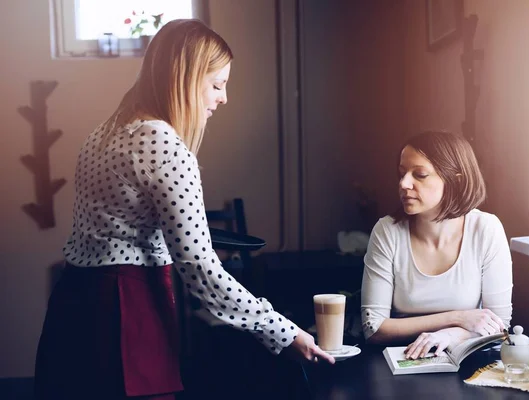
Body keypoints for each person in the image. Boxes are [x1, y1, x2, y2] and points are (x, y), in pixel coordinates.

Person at [34, 19, 333, 400]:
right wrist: (283, 332)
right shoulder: (163, 142)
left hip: (73, 306)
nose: (224, 97)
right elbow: (200, 269)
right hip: (125, 313)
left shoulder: (102, 133)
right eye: (217, 84)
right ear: (185, 78)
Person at [360, 131, 513, 360]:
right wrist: (458, 317)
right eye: (402, 174)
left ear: (456, 179)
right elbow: (373, 329)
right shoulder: (387, 232)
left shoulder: (486, 229)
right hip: (398, 360)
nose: (404, 183)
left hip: (467, 361)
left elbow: (500, 327)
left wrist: (450, 335)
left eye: (419, 175)